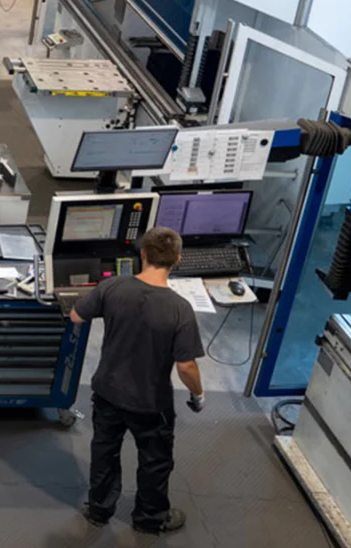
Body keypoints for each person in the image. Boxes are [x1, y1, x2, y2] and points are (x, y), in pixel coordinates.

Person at [70, 227, 205, 535]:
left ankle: (99, 510)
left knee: (104, 452)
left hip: (107, 392)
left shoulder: (113, 287)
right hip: (150, 401)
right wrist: (198, 395)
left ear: (142, 254)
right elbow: (186, 364)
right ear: (177, 260)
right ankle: (150, 518)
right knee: (155, 461)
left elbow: (77, 315)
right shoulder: (180, 309)